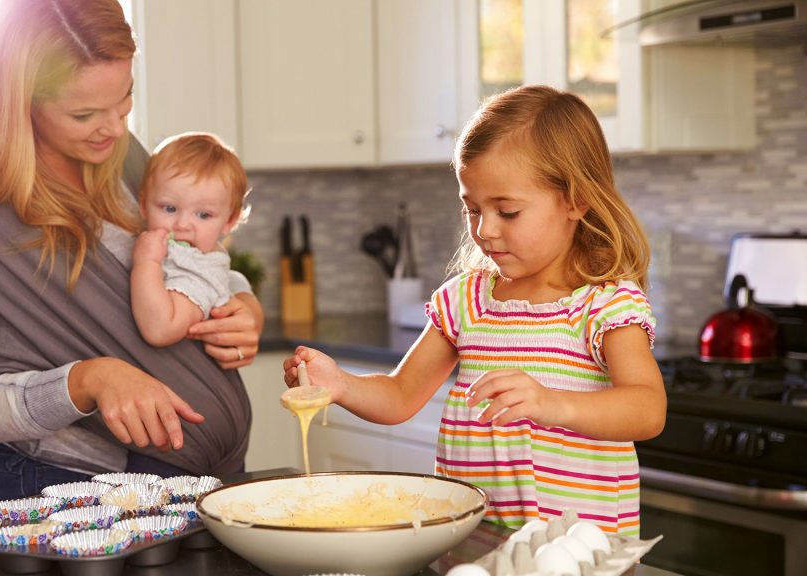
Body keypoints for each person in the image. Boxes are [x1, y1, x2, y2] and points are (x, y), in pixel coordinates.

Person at [0, 0, 263, 504]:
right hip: (67, 490)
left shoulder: (116, 156)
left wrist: (242, 305)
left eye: (124, 102)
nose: (116, 128)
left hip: (195, 483)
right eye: (85, 113)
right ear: (20, 100)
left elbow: (195, 256)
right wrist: (88, 380)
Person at [283, 85, 666, 537]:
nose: (485, 230)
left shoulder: (603, 304)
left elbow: (647, 409)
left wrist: (550, 403)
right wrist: (340, 383)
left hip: (581, 553)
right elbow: (401, 394)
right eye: (472, 209)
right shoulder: (466, 300)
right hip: (476, 540)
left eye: (508, 211)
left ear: (576, 200)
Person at [132, 132, 251, 347]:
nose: (182, 225)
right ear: (143, 205)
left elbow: (160, 329)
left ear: (229, 220)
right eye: (169, 208)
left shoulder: (202, 271)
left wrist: (146, 263)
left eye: (203, 215)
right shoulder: (169, 250)